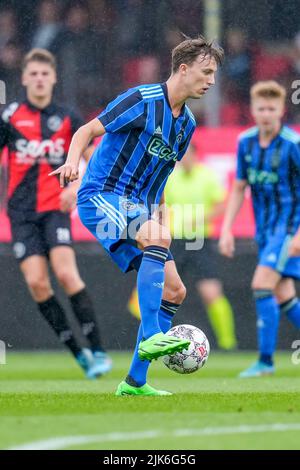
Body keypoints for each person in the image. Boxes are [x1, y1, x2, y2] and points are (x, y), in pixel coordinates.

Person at [50, 36, 224, 396]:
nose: (211, 81)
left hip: (140, 207)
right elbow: (86, 130)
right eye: (206, 72)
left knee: (176, 290)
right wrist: (71, 162)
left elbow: (161, 176)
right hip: (101, 196)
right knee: (156, 238)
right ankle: (155, 336)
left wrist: (159, 214)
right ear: (183, 68)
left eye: (214, 75)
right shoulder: (141, 100)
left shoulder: (186, 125)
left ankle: (134, 382)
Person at [0, 48, 112, 378]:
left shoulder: (68, 117)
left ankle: (99, 349)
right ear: (23, 78)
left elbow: (93, 158)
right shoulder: (9, 117)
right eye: (33, 74)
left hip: (55, 208)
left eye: (44, 74)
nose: (38, 79)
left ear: (53, 78)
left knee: (65, 274)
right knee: (37, 283)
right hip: (21, 213)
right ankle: (79, 355)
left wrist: (75, 188)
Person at [219, 80, 300, 377]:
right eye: (261, 108)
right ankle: (265, 361)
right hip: (265, 231)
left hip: (288, 228)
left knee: (261, 285)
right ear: (253, 110)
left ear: (281, 110)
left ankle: (265, 362)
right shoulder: (246, 142)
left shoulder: (292, 145)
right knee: (284, 295)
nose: (266, 113)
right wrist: (226, 229)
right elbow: (240, 187)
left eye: (272, 108)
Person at [128, 142, 237, 350]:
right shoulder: (171, 177)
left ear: (196, 155)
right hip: (173, 240)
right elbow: (157, 203)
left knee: (211, 292)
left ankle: (229, 344)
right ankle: (144, 338)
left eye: (188, 155)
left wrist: (201, 218)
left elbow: (223, 203)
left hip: (199, 241)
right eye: (182, 155)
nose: (184, 159)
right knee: (150, 290)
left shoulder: (207, 176)